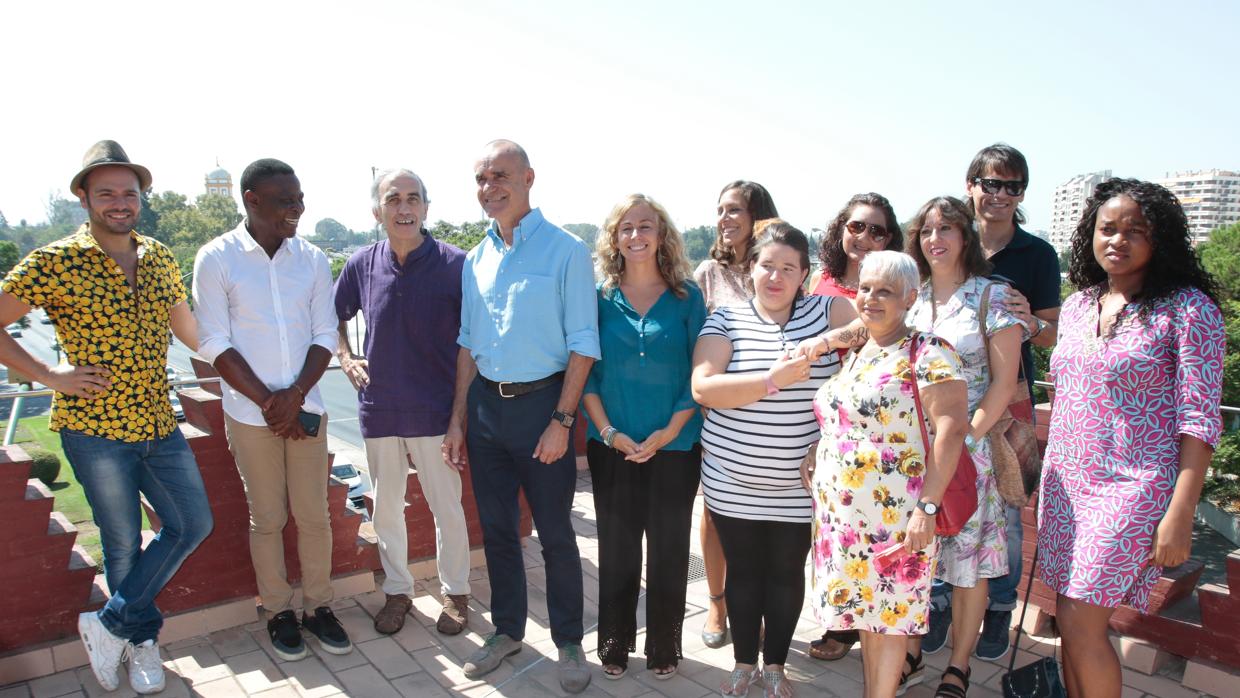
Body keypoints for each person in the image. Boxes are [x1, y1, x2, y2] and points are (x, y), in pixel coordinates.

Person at [0, 141, 212, 694]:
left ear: (141, 198)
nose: (120, 202)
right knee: (121, 542)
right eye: (107, 193)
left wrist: (251, 345)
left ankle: (110, 624)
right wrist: (50, 376)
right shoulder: (55, 261)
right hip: (94, 430)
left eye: (129, 193)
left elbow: (191, 332)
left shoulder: (159, 255)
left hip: (157, 422)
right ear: (84, 197)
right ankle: (140, 645)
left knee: (192, 524)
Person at [1039, 178, 1223, 698]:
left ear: (1159, 240)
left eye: (1135, 231)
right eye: (1107, 228)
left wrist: (1181, 513)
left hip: (1134, 487)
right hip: (1068, 484)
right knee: (1070, 617)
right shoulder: (1079, 305)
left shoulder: (1189, 311)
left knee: (1080, 622)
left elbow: (1201, 420)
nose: (1117, 240)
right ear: (1090, 235)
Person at [443, 140, 600, 693]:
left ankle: (569, 642)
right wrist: (459, 418)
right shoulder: (475, 257)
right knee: (499, 530)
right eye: (482, 178)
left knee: (556, 533)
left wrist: (562, 421)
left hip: (543, 408)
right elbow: (467, 343)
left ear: (529, 178)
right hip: (486, 407)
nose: (490, 188)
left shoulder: (566, 251)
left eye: (501, 176)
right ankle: (507, 630)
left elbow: (583, 343)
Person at [193, 159, 351, 662]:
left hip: (305, 408)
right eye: (286, 199)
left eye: (300, 197)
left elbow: (325, 332)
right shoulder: (216, 258)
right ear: (252, 200)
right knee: (267, 518)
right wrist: (269, 402)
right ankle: (280, 610)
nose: (297, 208)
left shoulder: (311, 259)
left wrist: (295, 395)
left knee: (314, 517)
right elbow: (213, 341)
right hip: (249, 414)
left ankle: (318, 606)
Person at [692, 221, 856, 698]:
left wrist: (828, 343)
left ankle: (777, 668)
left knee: (785, 575)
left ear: (805, 273)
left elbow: (876, 326)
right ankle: (744, 666)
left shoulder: (828, 312)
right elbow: (704, 386)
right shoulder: (727, 319)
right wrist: (772, 379)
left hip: (798, 486)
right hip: (731, 479)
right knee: (744, 573)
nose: (776, 277)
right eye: (767, 266)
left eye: (789, 268)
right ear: (751, 269)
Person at [804, 250, 970, 698]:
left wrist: (927, 509)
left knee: (891, 620)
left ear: (911, 298)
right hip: (845, 519)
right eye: (865, 288)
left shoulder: (930, 352)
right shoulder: (861, 349)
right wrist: (817, 456)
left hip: (896, 520)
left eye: (885, 291)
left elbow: (952, 431)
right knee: (868, 619)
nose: (871, 298)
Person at [924, 144, 1063, 661]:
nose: (1001, 195)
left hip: (1007, 400)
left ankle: (998, 609)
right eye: (991, 183)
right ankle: (941, 601)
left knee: (1003, 511)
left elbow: (1051, 336)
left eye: (1013, 186)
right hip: (940, 409)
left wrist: (1031, 320)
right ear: (971, 186)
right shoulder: (945, 247)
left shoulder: (1037, 254)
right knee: (941, 499)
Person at [333, 169, 472, 636]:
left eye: (413, 199)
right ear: (378, 211)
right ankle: (398, 590)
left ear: (427, 208)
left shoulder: (457, 265)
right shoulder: (361, 264)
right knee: (387, 507)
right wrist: (347, 356)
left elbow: (472, 344)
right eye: (394, 199)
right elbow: (331, 316)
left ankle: (456, 592)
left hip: (435, 410)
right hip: (380, 407)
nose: (404, 208)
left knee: (446, 507)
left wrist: (459, 416)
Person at [902, 196, 1023, 698]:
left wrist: (966, 438)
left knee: (968, 565)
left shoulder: (992, 297)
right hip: (909, 451)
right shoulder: (910, 295)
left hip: (969, 452)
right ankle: (909, 655)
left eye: (947, 228)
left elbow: (1002, 382)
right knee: (913, 556)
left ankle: (959, 665)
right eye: (928, 230)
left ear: (966, 237)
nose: (936, 238)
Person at [582, 194, 706, 681]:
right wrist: (609, 432)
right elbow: (585, 373)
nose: (636, 235)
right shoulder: (598, 298)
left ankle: (664, 646)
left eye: (646, 226)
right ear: (615, 238)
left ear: (662, 234)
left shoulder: (687, 297)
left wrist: (670, 428)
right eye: (626, 228)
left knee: (670, 548)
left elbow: (702, 368)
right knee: (617, 546)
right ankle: (614, 641)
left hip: (674, 445)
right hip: (611, 445)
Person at [806, 192, 905, 662]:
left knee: (868, 531)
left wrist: (827, 340)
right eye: (856, 226)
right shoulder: (819, 280)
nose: (864, 237)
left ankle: (878, 637)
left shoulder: (886, 285)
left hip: (872, 420)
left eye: (877, 230)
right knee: (832, 529)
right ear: (841, 228)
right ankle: (843, 622)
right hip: (821, 409)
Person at [691, 179, 779, 649]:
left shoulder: (779, 265)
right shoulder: (708, 273)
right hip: (722, 414)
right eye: (720, 210)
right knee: (715, 513)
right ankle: (718, 601)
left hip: (776, 415)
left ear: (758, 218)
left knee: (765, 518)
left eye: (734, 211)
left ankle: (758, 606)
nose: (724, 220)